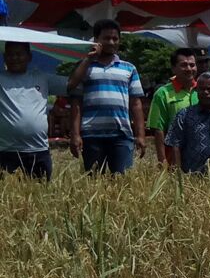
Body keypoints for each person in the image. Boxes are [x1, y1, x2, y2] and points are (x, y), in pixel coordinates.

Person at [67, 19, 146, 173]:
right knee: (95, 181)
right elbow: (74, 98)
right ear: (97, 40)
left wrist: (140, 135)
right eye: (106, 38)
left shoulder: (129, 68)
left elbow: (136, 104)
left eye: (115, 39)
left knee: (123, 182)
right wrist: (75, 135)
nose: (111, 42)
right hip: (91, 135)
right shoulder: (84, 67)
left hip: (121, 135)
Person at [0, 40, 67, 179]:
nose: (14, 58)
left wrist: (88, 60)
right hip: (7, 151)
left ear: (29, 56)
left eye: (19, 54)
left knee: (40, 195)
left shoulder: (41, 77)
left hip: (38, 150)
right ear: (4, 57)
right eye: (10, 54)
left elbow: (71, 84)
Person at [147, 47, 199, 166]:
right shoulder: (163, 93)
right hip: (174, 157)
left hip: (201, 155)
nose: (189, 69)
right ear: (173, 68)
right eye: (184, 65)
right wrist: (162, 160)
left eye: (192, 65)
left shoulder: (204, 91)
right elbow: (158, 128)